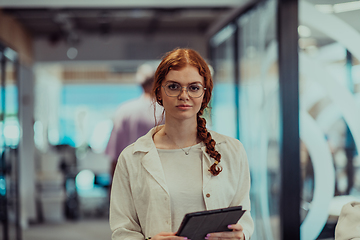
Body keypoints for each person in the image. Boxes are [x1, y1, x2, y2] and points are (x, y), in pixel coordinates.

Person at [109, 48, 254, 240]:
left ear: (205, 94)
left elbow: (244, 220)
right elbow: (122, 231)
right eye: (173, 86)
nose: (184, 95)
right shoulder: (132, 157)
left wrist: (241, 236)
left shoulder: (232, 150)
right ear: (159, 92)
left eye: (194, 87)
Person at [105, 63, 163, 178]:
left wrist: (112, 188)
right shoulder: (167, 111)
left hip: (131, 177)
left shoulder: (124, 111)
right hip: (161, 177)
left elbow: (114, 156)